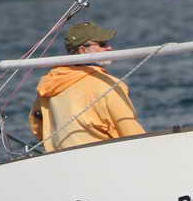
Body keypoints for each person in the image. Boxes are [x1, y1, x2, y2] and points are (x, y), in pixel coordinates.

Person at [29, 21, 145, 153]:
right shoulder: (108, 84)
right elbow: (130, 131)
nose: (109, 48)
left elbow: (37, 127)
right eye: (102, 44)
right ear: (83, 50)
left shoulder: (49, 83)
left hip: (62, 158)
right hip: (104, 157)